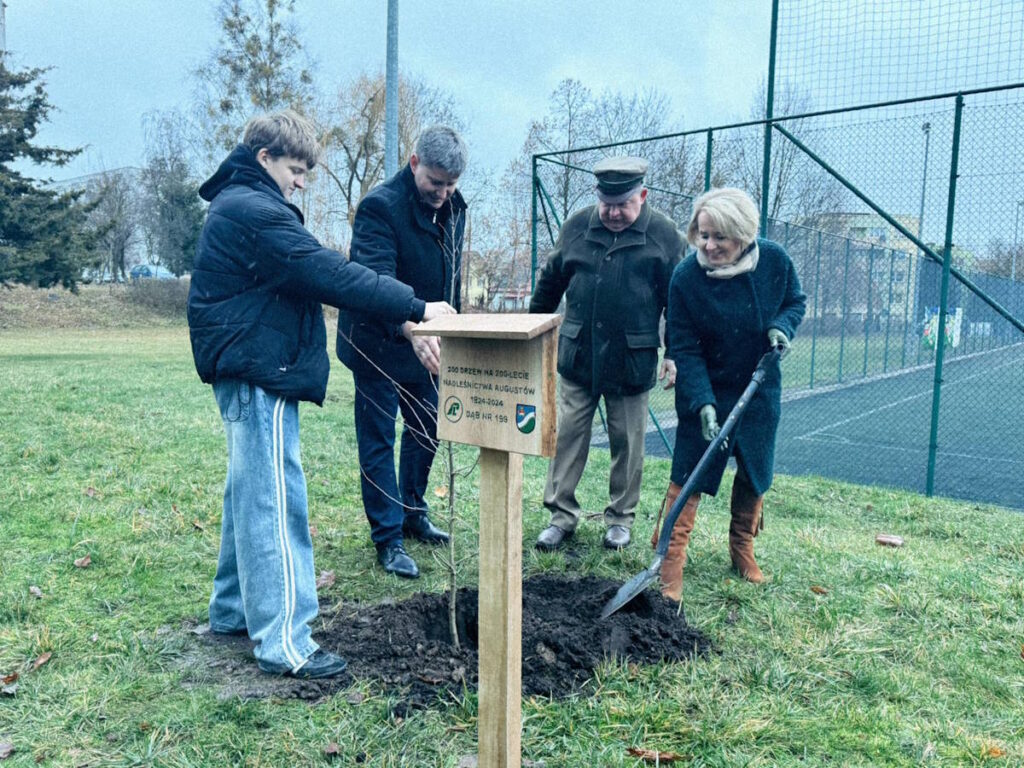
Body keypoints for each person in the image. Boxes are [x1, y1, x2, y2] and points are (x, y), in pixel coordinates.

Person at [187, 110, 455, 679]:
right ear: (265, 160)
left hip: (252, 365)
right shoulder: (255, 212)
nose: (302, 181)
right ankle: (285, 640)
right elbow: (330, 271)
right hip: (259, 369)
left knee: (248, 493)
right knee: (274, 500)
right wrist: (416, 307)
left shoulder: (239, 205)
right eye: (296, 168)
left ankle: (233, 611)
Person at [657, 187, 806, 601]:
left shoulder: (774, 262)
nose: (709, 245)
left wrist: (782, 326)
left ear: (743, 234)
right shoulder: (687, 278)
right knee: (690, 470)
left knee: (755, 470)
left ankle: (742, 547)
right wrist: (702, 401)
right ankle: (669, 559)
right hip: (705, 387)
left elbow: (795, 302)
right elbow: (684, 347)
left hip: (759, 388)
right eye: (703, 235)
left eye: (719, 237)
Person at [529, 156, 683, 551]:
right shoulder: (577, 226)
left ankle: (620, 519)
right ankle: (561, 516)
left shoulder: (665, 236)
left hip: (632, 359)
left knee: (628, 442)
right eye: (607, 203)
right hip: (579, 354)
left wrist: (675, 352)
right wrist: (528, 330)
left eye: (624, 204)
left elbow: (677, 302)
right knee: (568, 436)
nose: (613, 213)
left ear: (643, 195)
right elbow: (550, 282)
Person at [337, 125, 468, 580]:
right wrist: (413, 326)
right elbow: (374, 284)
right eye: (435, 182)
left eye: (451, 184)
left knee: (428, 427)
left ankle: (414, 511)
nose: (443, 193)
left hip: (428, 344)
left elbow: (448, 274)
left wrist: (445, 331)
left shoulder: (455, 206)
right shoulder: (379, 208)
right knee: (378, 438)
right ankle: (388, 538)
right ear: (414, 163)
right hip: (377, 341)